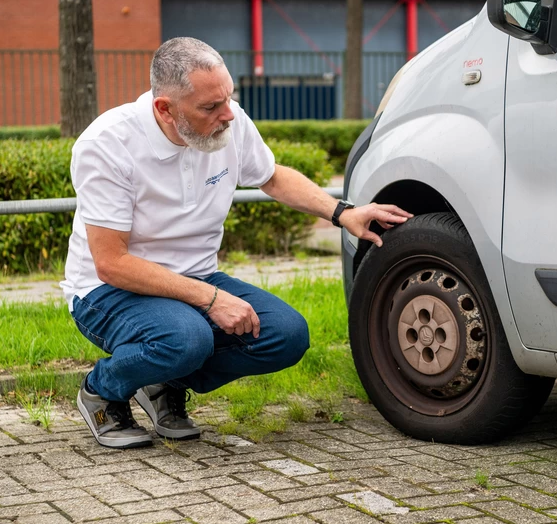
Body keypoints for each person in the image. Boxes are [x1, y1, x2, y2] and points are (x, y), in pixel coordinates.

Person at [60, 37, 412, 449]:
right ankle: (103, 389)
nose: (228, 115)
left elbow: (272, 176)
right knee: (188, 339)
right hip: (108, 292)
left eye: (229, 98)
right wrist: (211, 300)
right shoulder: (106, 145)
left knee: (286, 335)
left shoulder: (229, 120)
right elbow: (111, 263)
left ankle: (162, 382)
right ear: (165, 110)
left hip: (196, 277)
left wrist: (342, 212)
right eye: (210, 107)